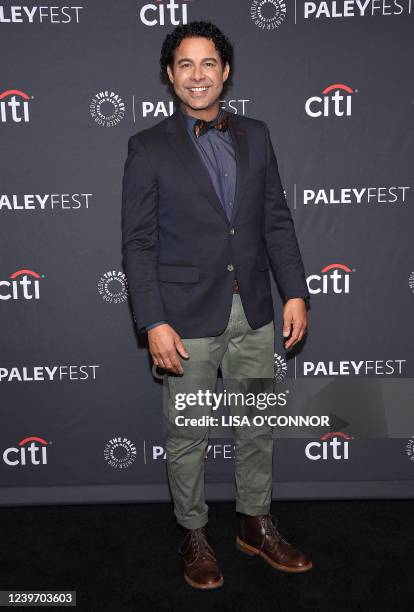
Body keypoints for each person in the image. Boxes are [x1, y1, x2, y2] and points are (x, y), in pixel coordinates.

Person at [121, 20, 312, 590]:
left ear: (225, 72)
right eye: (185, 65)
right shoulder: (148, 146)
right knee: (187, 433)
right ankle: (194, 532)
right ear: (170, 76)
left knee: (256, 424)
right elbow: (138, 241)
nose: (197, 75)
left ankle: (255, 523)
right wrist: (153, 319)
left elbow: (275, 220)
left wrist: (295, 291)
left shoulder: (257, 134)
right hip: (186, 317)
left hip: (253, 309)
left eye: (209, 64)